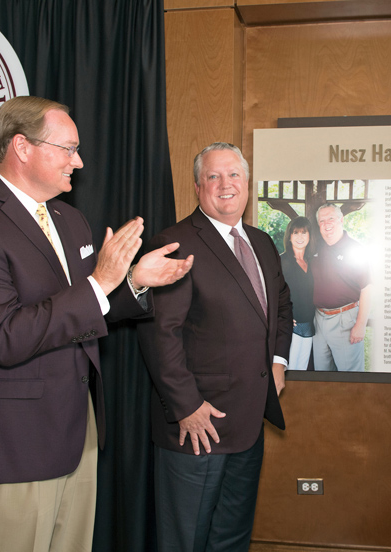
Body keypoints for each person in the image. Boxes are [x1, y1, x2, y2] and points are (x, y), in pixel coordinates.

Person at [0, 96, 193, 552]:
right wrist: (102, 281)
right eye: (68, 149)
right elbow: (4, 338)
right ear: (22, 147)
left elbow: (82, 312)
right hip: (11, 444)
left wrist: (130, 282)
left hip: (78, 432)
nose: (80, 161)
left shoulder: (71, 220)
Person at [137, 142, 292, 551]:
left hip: (248, 425)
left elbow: (281, 305)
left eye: (234, 175)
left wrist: (277, 361)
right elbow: (158, 334)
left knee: (231, 538)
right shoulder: (173, 244)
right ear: (197, 187)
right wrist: (186, 406)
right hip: (197, 428)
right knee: (185, 541)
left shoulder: (260, 242)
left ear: (247, 183)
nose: (226, 185)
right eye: (213, 176)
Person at [311, 202, 373, 371]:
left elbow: (367, 289)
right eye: (322, 221)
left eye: (331, 218)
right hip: (319, 320)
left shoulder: (356, 249)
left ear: (341, 220)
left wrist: (360, 325)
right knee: (321, 376)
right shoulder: (316, 249)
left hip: (345, 320)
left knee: (350, 379)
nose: (326, 224)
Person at [280, 216, 315, 370]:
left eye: (304, 233)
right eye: (295, 233)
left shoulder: (312, 262)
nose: (300, 237)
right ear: (289, 236)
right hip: (290, 327)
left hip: (309, 325)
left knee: (302, 373)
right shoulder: (281, 261)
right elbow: (272, 292)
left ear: (309, 236)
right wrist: (282, 316)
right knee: (290, 372)